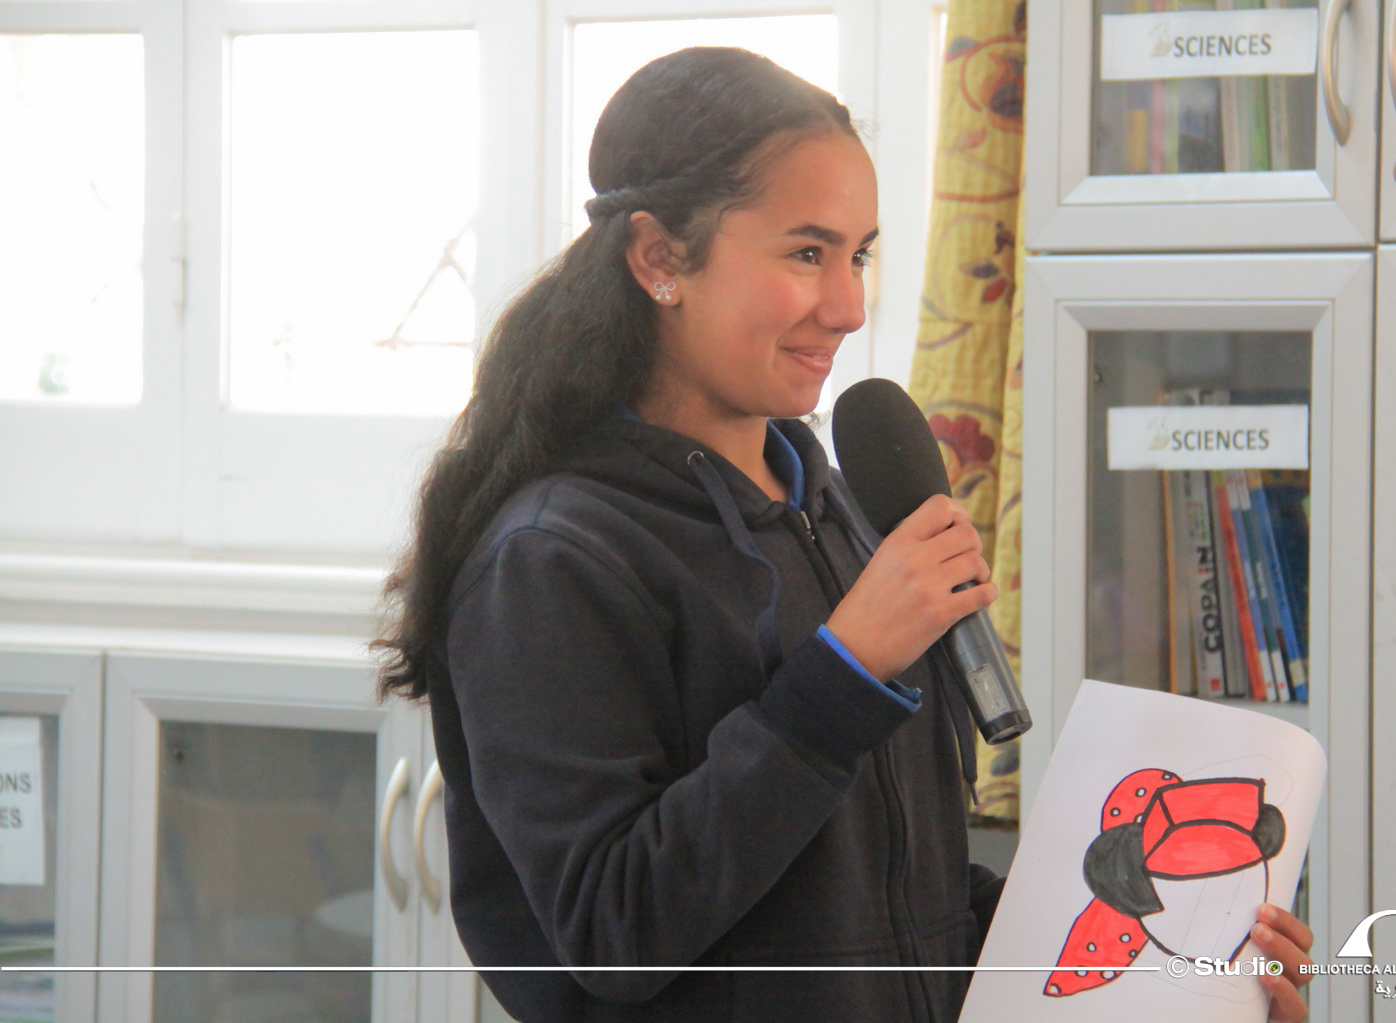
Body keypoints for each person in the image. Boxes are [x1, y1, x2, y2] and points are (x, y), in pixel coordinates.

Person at [374, 46, 1315, 1023]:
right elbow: (614, 929)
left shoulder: (842, 513)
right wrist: (842, 671)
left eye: (857, 255)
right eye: (805, 253)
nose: (848, 307)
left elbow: (898, 903)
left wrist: (1177, 968)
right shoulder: (550, 559)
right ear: (658, 258)